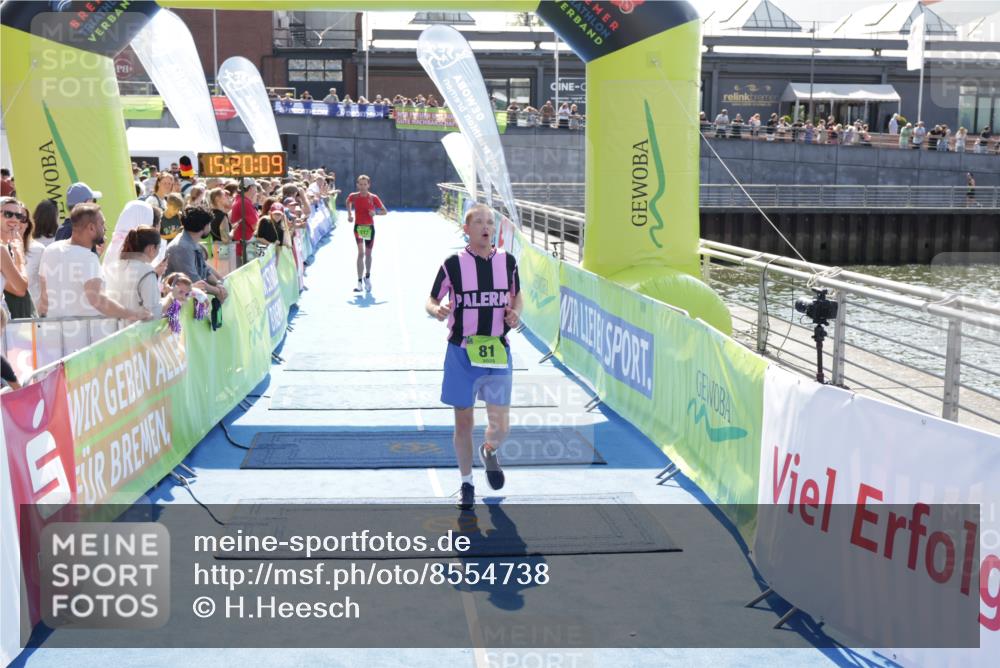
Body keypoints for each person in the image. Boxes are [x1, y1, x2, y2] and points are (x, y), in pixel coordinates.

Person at [425, 204, 522, 511]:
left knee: (501, 424)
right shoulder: (453, 264)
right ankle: (466, 483)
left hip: (496, 350)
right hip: (462, 352)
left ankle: (490, 449)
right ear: (465, 229)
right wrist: (436, 310)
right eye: (478, 222)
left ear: (495, 230)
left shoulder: (508, 262)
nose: (485, 226)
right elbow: (431, 298)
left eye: (490, 223)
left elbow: (516, 294)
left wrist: (515, 312)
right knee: (463, 421)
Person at [38, 204, 151, 354]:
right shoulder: (87, 258)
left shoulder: (51, 250)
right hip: (84, 345)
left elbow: (44, 297)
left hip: (54, 340)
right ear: (91, 228)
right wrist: (132, 314)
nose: (105, 228)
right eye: (102, 224)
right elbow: (97, 300)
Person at [164, 207, 228, 304]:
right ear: (204, 226)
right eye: (209, 224)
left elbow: (205, 269)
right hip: (178, 305)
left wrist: (218, 284)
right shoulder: (182, 247)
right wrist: (218, 291)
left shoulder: (191, 242)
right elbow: (195, 281)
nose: (210, 227)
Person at [104, 226, 165, 318]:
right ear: (151, 248)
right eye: (158, 249)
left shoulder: (114, 267)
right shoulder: (147, 272)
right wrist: (171, 298)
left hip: (113, 330)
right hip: (135, 330)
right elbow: (154, 313)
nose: (158, 253)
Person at [346, 174, 387, 293]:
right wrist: (349, 214)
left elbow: (385, 211)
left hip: (369, 228)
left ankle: (367, 276)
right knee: (361, 253)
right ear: (357, 185)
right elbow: (348, 201)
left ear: (369, 185)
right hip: (358, 227)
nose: (363, 186)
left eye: (365, 184)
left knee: (368, 254)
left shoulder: (373, 197)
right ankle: (359, 281)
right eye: (360, 184)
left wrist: (375, 213)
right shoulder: (353, 196)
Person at [0, 197, 29, 316]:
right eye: (8, 214)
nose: (14, 219)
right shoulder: (1, 250)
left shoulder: (5, 248)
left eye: (19, 216)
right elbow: (21, 288)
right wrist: (20, 256)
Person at [230, 177, 260, 263]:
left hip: (245, 247)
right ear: (251, 188)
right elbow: (256, 227)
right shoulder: (244, 202)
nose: (256, 190)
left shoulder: (241, 200)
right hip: (246, 249)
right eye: (255, 187)